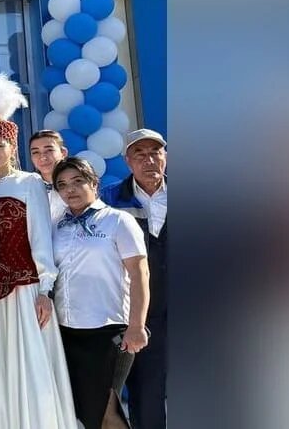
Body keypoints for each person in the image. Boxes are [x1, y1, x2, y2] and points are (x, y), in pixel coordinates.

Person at [0, 75, 78, 429]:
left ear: (12, 146)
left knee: (31, 363)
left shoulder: (29, 182)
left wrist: (45, 289)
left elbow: (40, 237)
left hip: (25, 289)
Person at [51, 157, 150, 429]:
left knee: (107, 410)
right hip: (66, 332)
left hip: (108, 330)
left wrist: (137, 326)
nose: (70, 189)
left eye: (77, 181)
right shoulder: (57, 226)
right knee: (85, 413)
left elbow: (140, 274)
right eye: (62, 185)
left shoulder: (119, 221)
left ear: (94, 184)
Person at [105, 129, 168, 429]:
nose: (148, 160)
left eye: (155, 153)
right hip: (140, 315)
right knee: (146, 394)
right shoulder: (110, 200)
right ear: (128, 161)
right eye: (139, 154)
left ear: (166, 157)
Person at [28, 129, 69, 223]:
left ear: (63, 152)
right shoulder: (28, 188)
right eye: (35, 152)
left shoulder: (78, 185)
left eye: (49, 150)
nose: (43, 157)